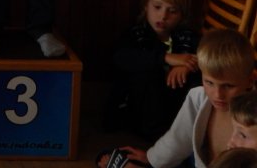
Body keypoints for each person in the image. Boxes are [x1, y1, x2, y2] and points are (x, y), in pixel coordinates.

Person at [97, 29, 256, 168]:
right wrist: (151, 158)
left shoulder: (252, 115)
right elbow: (179, 138)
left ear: (251, 80)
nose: (217, 95)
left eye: (228, 86)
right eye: (209, 82)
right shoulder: (198, 97)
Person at [105, 0, 201, 140]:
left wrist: (186, 65)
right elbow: (121, 58)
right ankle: (155, 132)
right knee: (146, 73)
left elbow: (205, 56)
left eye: (172, 11)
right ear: (146, 6)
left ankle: (186, 130)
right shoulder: (136, 34)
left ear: (182, 15)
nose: (163, 16)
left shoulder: (187, 36)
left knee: (198, 79)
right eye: (157, 7)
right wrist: (166, 58)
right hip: (141, 106)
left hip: (173, 103)